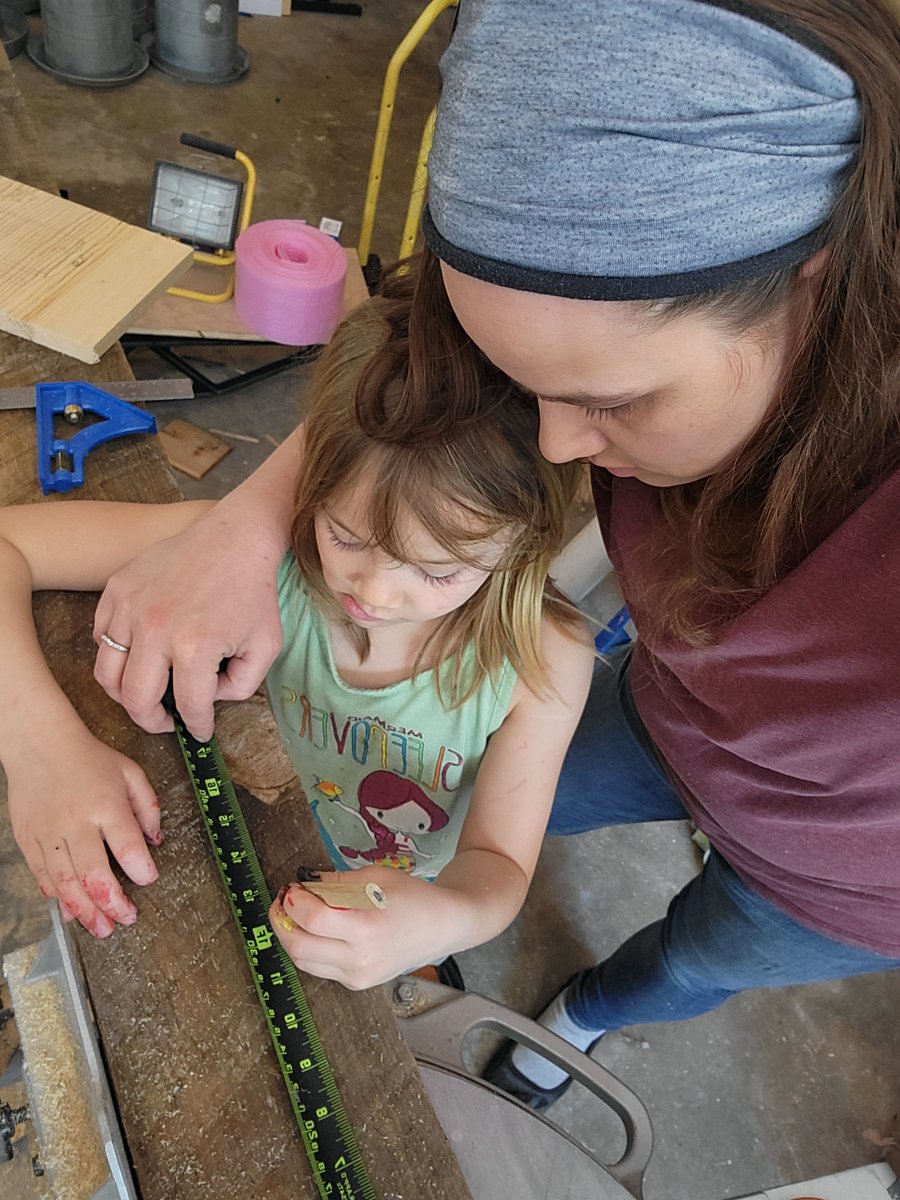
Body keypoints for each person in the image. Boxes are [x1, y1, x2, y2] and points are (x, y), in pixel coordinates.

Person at [83, 0, 900, 1107]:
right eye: (534, 386)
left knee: (701, 954)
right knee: (473, 808)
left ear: (812, 283)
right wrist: (250, 516)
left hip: (847, 877)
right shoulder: (613, 319)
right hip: (672, 715)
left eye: (612, 401)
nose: (561, 451)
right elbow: (427, 348)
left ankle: (586, 1015)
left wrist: (473, 896)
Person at [0, 278, 594, 989]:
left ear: (525, 543)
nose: (371, 591)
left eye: (438, 573)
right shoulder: (254, 562)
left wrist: (438, 923)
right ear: (305, 477)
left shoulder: (546, 660)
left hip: (405, 884)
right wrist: (41, 752)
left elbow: (496, 866)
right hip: (292, 840)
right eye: (343, 532)